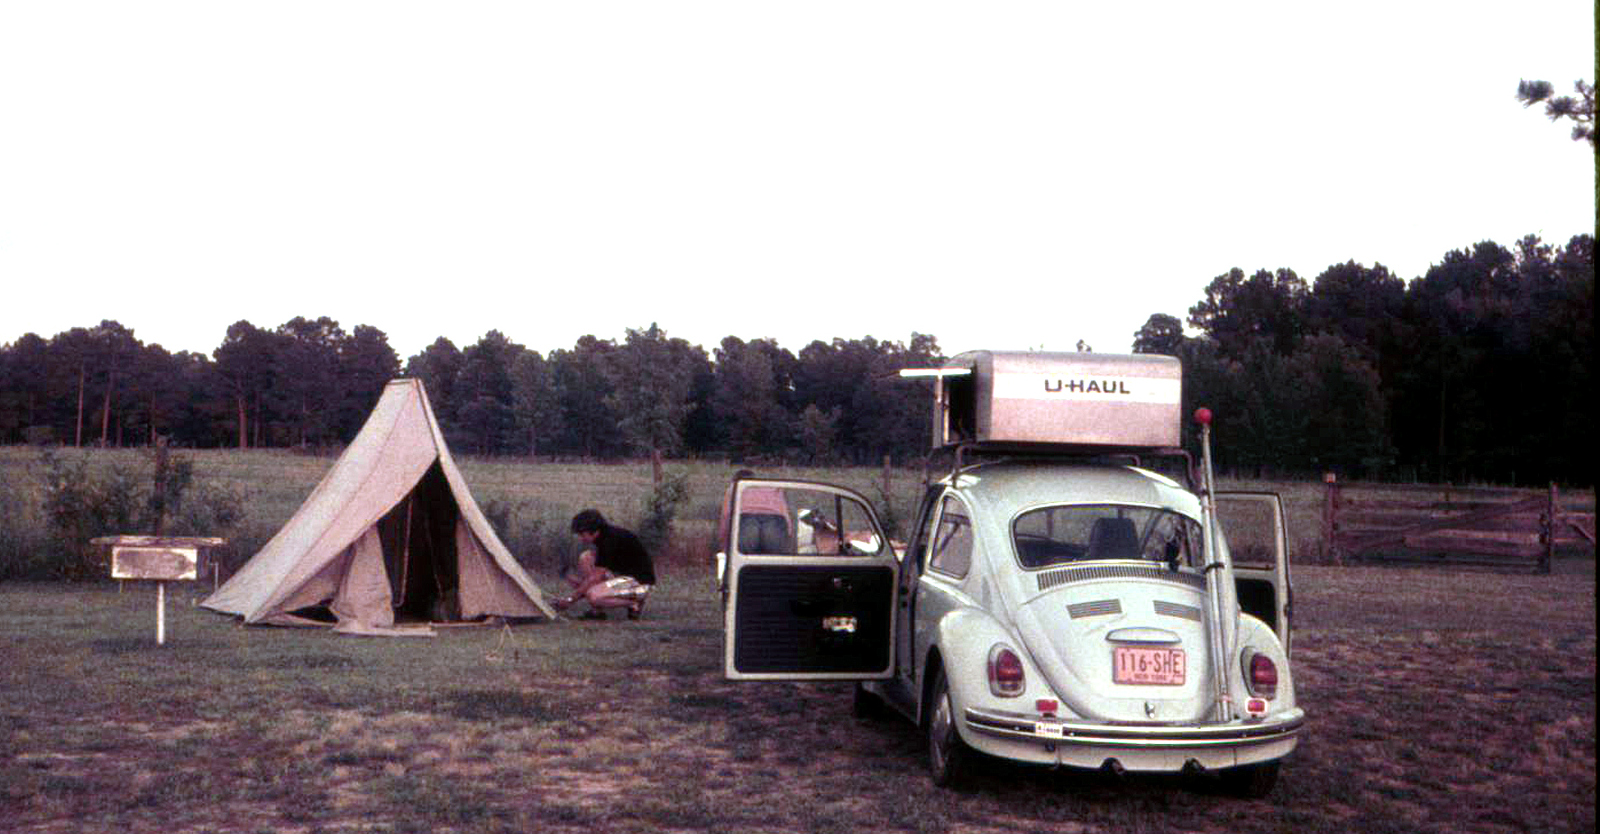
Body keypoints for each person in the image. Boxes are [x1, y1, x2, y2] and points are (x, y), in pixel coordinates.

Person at [553, 509, 655, 620]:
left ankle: (634, 603)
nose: (581, 538)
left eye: (582, 534)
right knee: (586, 557)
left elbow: (595, 578)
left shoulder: (609, 541)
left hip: (640, 583)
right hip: (623, 577)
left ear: (593, 530)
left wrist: (570, 600)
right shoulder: (605, 536)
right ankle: (597, 612)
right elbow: (592, 579)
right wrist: (572, 581)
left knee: (593, 595)